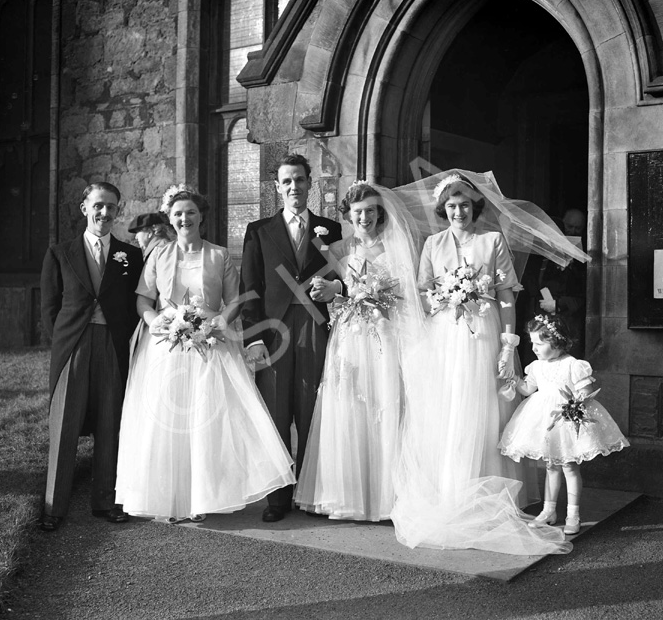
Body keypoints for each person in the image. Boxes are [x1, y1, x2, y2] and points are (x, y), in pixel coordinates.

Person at [391, 170, 578, 555]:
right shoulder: (433, 243)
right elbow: (423, 295)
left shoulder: (492, 241)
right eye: (451, 205)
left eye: (464, 204)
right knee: (450, 405)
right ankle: (451, 486)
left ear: (475, 206)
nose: (458, 210)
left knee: (485, 403)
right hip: (446, 334)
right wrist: (447, 295)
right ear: (443, 209)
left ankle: (489, 486)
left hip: (486, 331)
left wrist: (509, 345)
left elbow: (507, 295)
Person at [114, 186, 295, 522]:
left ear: (201, 217)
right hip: (166, 345)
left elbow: (235, 299)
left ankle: (202, 496)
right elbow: (143, 298)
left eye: (191, 213)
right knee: (168, 420)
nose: (185, 218)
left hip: (210, 345)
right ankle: (169, 497)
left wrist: (217, 325)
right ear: (170, 219)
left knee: (205, 420)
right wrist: (158, 322)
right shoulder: (159, 255)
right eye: (179, 214)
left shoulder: (218, 255)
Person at [294, 182, 424, 521]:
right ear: (348, 216)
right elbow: (335, 291)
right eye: (357, 212)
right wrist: (333, 290)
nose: (364, 217)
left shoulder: (396, 246)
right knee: (350, 405)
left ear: (379, 212)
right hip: (351, 335)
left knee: (385, 402)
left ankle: (387, 497)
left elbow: (408, 295)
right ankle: (348, 495)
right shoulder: (336, 249)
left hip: (385, 334)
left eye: (369, 210)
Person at [240, 153, 343, 522]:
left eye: (299, 180)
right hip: (274, 332)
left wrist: (334, 287)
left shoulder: (331, 230)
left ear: (309, 183)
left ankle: (310, 490)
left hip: (316, 326)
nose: (294, 187)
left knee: (313, 410)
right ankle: (279, 496)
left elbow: (347, 276)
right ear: (277, 187)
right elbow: (249, 289)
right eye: (286, 181)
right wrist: (253, 339)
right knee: (276, 412)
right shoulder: (259, 230)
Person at [39, 182, 144, 531]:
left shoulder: (129, 255)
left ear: (118, 211)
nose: (104, 213)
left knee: (110, 423)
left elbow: (133, 304)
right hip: (74, 345)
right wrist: (66, 340)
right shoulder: (60, 253)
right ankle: (55, 507)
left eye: (111, 207)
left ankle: (107, 500)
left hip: (112, 345)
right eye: (98, 206)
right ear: (84, 208)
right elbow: (50, 307)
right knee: (65, 424)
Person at [499, 314, 629, 534]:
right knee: (550, 465)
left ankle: (573, 514)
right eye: (532, 343)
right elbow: (528, 390)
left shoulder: (573, 365)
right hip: (544, 421)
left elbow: (586, 392)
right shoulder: (536, 366)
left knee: (569, 466)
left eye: (540, 343)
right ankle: (548, 511)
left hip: (567, 420)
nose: (534, 348)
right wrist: (514, 379)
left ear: (556, 341)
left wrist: (575, 405)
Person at [517, 208, 587, 365]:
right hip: (535, 321)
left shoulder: (576, 260)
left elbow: (584, 292)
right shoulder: (534, 257)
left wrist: (558, 304)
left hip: (562, 324)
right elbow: (528, 282)